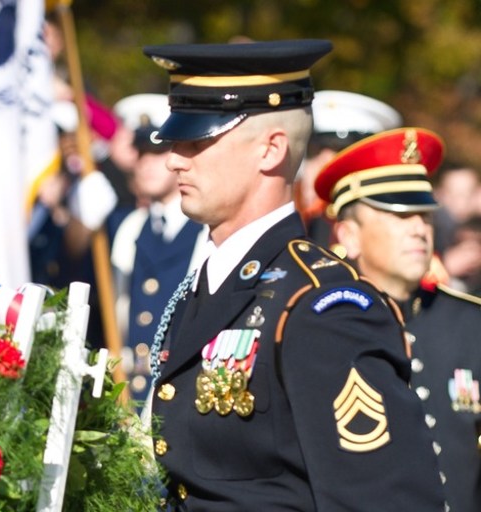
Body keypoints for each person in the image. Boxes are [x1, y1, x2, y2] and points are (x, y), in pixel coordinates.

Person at [143, 39, 445, 510]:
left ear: (270, 150)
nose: (175, 158)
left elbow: (384, 498)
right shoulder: (202, 286)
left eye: (198, 140)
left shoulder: (323, 307)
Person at [316, 127, 481, 511]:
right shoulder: (321, 328)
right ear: (348, 235)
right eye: (397, 213)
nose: (419, 229)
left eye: (424, 214)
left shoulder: (470, 322)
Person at [106, 93, 208, 400]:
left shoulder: (205, 231)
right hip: (129, 395)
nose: (147, 164)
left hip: (179, 394)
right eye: (141, 152)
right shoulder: (130, 228)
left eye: (159, 150)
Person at [294, 90, 402, 246]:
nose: (324, 159)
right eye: (316, 149)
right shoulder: (300, 205)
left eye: (339, 150)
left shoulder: (386, 215)